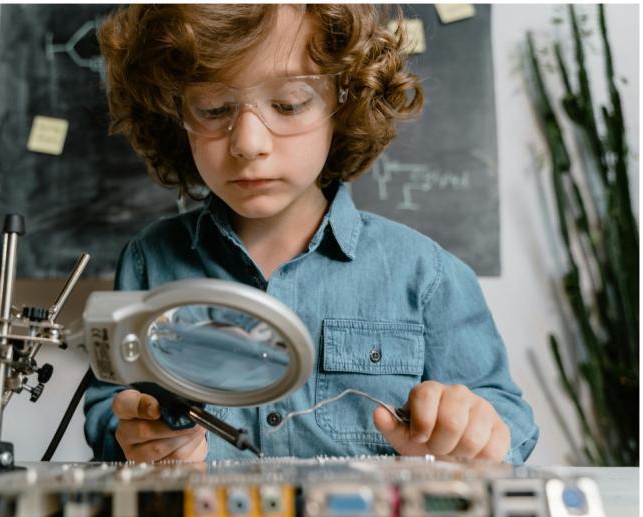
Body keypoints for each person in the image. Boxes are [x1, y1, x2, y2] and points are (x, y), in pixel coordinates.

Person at [83, 4, 538, 464]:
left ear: (345, 101)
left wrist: (471, 433)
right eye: (213, 108)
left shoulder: (426, 275)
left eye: (288, 104)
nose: (248, 144)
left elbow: (509, 422)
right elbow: (109, 410)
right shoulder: (148, 262)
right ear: (174, 113)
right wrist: (139, 436)